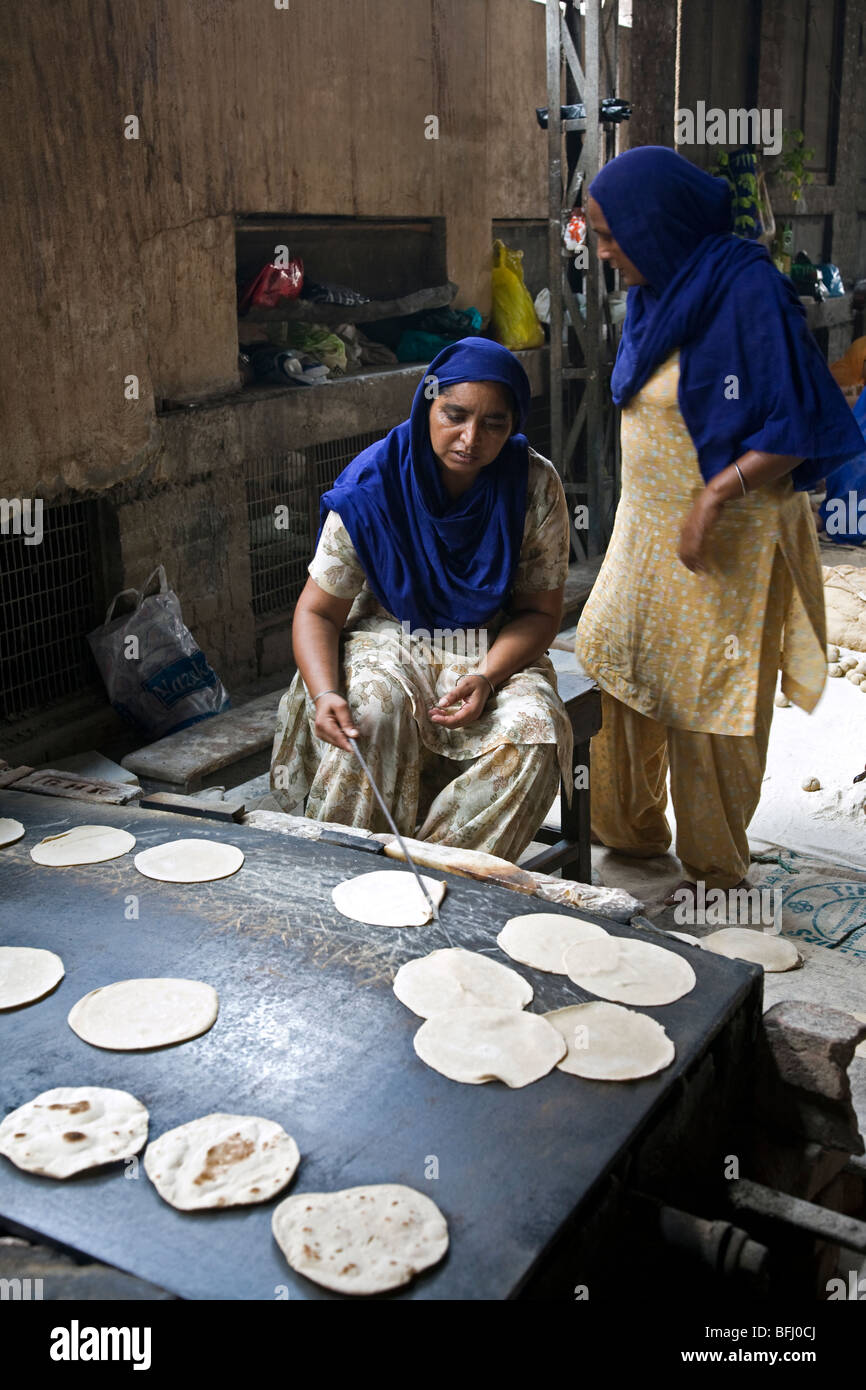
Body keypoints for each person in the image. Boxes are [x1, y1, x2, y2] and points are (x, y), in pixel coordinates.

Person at [576, 146, 865, 904]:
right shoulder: (656, 291)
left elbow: (797, 426)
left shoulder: (748, 294)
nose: (604, 253)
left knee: (713, 699)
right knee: (618, 666)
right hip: (646, 538)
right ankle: (634, 847)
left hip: (727, 544)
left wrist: (712, 497)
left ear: (656, 224)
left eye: (612, 235)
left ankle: (716, 875)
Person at [270, 337, 573, 863]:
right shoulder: (374, 483)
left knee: (537, 731)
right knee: (370, 711)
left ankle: (436, 876)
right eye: (454, 415)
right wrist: (323, 696)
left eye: (494, 424)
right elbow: (318, 610)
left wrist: (486, 677)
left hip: (490, 642)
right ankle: (340, 871)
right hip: (387, 634)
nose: (471, 438)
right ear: (426, 404)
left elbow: (539, 612)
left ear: (514, 423)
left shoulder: (533, 485)